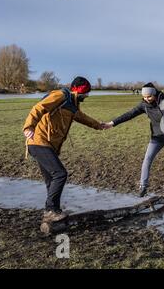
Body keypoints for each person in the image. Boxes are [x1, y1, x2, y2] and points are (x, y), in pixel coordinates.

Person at [23, 76, 104, 222]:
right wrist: (29, 126)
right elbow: (39, 107)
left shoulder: (72, 104)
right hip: (38, 142)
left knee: (51, 179)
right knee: (60, 174)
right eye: (85, 93)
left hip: (47, 145)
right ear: (77, 90)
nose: (87, 96)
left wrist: (99, 125)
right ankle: (50, 210)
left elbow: (81, 117)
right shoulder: (60, 95)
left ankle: (54, 211)